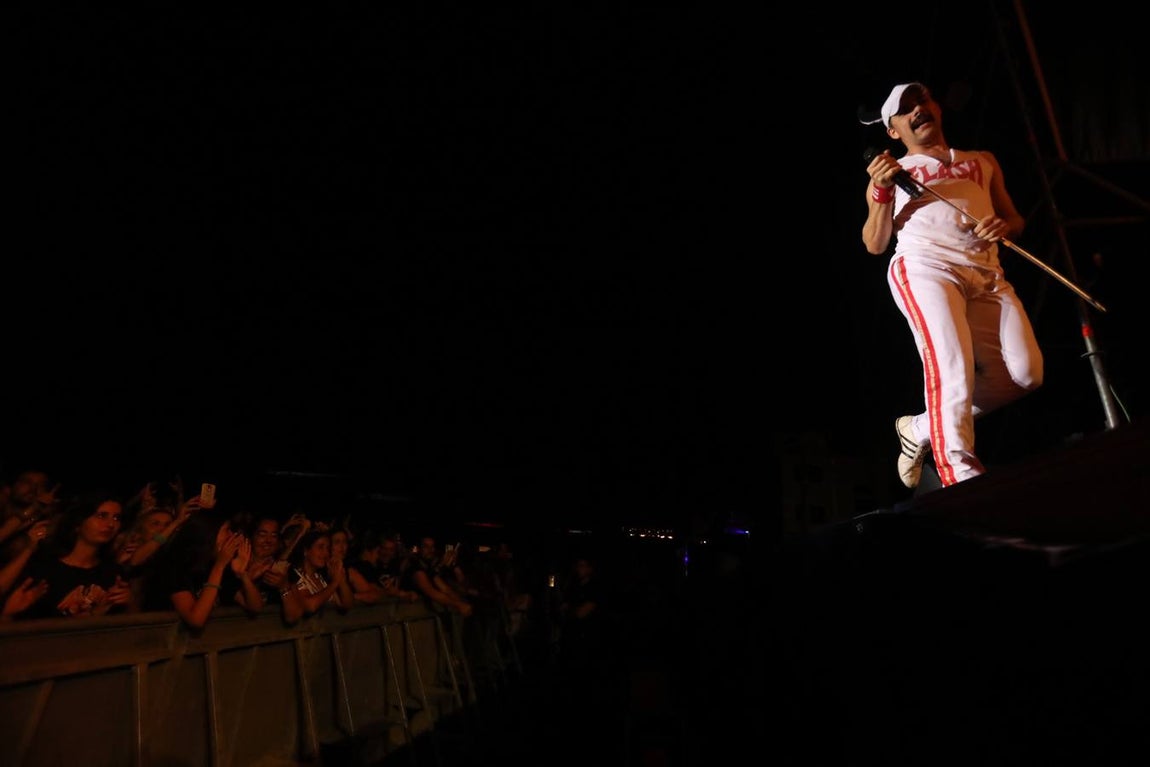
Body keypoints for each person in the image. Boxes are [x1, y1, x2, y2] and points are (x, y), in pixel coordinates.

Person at [860, 82, 1043, 489]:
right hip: (927, 269)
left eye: (921, 101)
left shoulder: (982, 161)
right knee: (951, 370)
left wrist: (1004, 225)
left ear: (937, 107)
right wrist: (881, 189)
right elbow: (874, 242)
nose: (917, 111)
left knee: (1025, 375)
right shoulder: (895, 170)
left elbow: (1014, 219)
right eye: (905, 110)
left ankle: (922, 428)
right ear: (893, 131)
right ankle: (963, 480)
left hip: (986, 276)